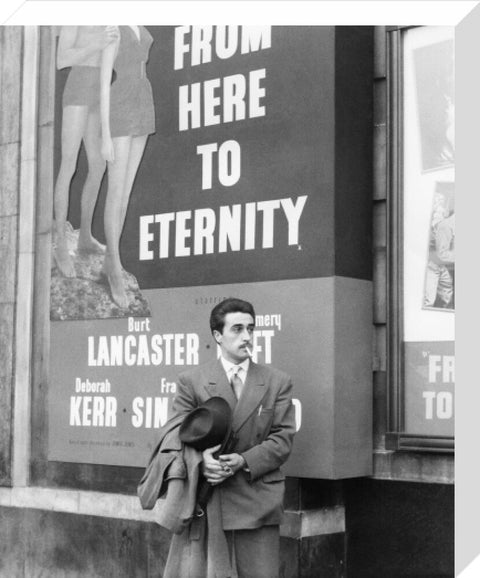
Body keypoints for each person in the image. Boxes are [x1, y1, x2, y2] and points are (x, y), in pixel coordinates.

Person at [170, 297, 296, 577]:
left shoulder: (277, 381)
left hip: (258, 499)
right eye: (237, 329)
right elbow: (176, 436)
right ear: (218, 335)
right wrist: (202, 461)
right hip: (210, 499)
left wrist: (243, 460)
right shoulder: (192, 380)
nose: (246, 337)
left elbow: (283, 439)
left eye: (250, 329)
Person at [53, 26, 119, 277]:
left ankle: (85, 236)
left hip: (101, 88)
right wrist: (97, 44)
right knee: (69, 164)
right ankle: (60, 244)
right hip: (79, 85)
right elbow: (62, 60)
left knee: (98, 164)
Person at [100, 25, 155, 308]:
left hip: (143, 100)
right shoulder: (114, 26)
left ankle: (111, 262)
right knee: (115, 191)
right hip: (120, 103)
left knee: (125, 194)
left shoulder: (141, 24)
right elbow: (103, 80)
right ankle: (115, 269)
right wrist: (105, 134)